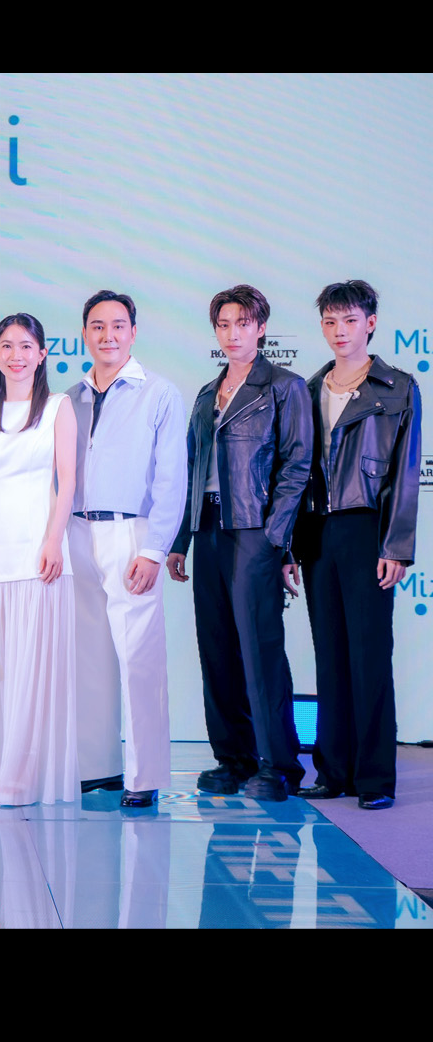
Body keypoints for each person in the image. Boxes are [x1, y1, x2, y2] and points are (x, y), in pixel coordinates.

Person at [167, 284, 313, 802]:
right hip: (207, 528)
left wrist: (276, 538)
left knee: (259, 648)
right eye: (224, 325)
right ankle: (233, 759)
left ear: (261, 328)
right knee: (216, 649)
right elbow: (191, 471)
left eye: (243, 324)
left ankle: (279, 765)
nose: (233, 334)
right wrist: (181, 540)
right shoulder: (207, 393)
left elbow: (297, 467)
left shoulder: (284, 387)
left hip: (254, 529)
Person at [285, 280, 420, 810]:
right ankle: (333, 770)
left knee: (369, 655)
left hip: (367, 530)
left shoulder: (397, 388)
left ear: (371, 323)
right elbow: (293, 473)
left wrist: (396, 546)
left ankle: (375, 777)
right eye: (330, 322)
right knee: (330, 654)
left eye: (349, 320)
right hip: (317, 531)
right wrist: (290, 546)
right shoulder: (307, 388)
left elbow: (405, 473)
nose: (339, 331)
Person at [67, 290, 187, 808]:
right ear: (84, 334)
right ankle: (99, 767)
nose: (107, 335)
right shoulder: (69, 398)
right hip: (76, 534)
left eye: (118, 325)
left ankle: (144, 775)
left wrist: (155, 549)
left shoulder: (159, 394)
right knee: (88, 657)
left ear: (133, 333)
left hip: (131, 534)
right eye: (97, 326)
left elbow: (172, 478)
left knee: (138, 658)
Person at [0, 313, 78, 806]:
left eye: (26, 346)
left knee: (33, 673)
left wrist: (53, 540)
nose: (16, 355)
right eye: (6, 346)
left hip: (40, 553)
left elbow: (67, 481)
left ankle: (22, 777)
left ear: (42, 354)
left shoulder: (59, 407)